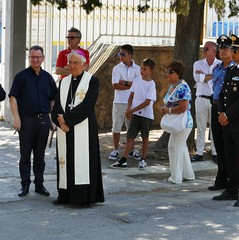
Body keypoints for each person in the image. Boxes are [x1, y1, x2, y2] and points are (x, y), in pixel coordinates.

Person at [51, 50, 105, 206]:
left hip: (84, 128)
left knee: (81, 161)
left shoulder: (92, 81)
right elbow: (57, 105)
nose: (72, 66)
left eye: (76, 63)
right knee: (65, 160)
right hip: (65, 129)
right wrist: (61, 122)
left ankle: (82, 198)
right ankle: (65, 195)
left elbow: (88, 105)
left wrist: (66, 119)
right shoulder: (63, 82)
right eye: (70, 63)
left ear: (84, 65)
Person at [9, 45, 57, 197]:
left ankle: (39, 184)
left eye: (38, 57)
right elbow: (13, 97)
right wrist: (16, 118)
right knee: (25, 156)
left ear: (43, 58)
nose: (35, 59)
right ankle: (25, 185)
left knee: (40, 155)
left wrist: (52, 119)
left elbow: (52, 99)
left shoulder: (48, 77)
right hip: (26, 121)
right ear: (29, 58)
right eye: (32, 57)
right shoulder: (21, 76)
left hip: (43, 121)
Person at [110, 58, 156, 170]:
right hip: (135, 114)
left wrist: (132, 110)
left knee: (145, 137)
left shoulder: (151, 84)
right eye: (141, 68)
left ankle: (143, 159)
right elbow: (131, 95)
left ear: (151, 71)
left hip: (146, 115)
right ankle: (124, 159)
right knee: (130, 136)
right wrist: (129, 108)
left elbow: (147, 102)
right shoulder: (136, 81)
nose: (142, 71)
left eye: (145, 69)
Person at [212, 34, 239, 207]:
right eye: (232, 49)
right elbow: (222, 93)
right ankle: (231, 189)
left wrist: (227, 115)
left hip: (237, 122)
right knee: (230, 157)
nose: (232, 52)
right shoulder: (231, 70)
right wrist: (221, 113)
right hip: (228, 123)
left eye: (235, 49)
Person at [160, 61, 195, 184]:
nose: (168, 74)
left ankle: (176, 178)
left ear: (178, 73)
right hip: (179, 123)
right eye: (168, 72)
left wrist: (168, 110)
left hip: (183, 123)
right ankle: (188, 175)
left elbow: (183, 107)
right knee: (181, 147)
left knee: (174, 147)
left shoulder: (183, 87)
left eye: (171, 72)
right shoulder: (173, 86)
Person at [208, 35, 235, 191]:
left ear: (231, 50)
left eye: (225, 48)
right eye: (221, 48)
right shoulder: (216, 68)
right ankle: (221, 178)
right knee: (218, 143)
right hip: (216, 106)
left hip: (227, 110)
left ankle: (231, 180)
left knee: (228, 146)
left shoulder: (234, 69)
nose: (223, 51)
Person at [108, 44, 141, 161]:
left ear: (130, 55)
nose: (120, 56)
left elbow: (138, 86)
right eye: (119, 54)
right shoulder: (116, 68)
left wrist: (125, 83)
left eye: (123, 54)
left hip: (133, 103)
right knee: (116, 126)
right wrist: (131, 85)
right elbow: (115, 85)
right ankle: (115, 149)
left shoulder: (138, 69)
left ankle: (131, 150)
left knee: (131, 127)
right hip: (119, 102)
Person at [191, 41, 221, 162]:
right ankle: (199, 152)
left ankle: (215, 153)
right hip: (201, 98)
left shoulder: (220, 64)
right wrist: (213, 75)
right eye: (203, 49)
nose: (203, 51)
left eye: (206, 49)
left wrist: (206, 76)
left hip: (215, 100)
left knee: (215, 128)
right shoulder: (197, 64)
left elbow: (219, 79)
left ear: (214, 51)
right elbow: (198, 78)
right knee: (201, 127)